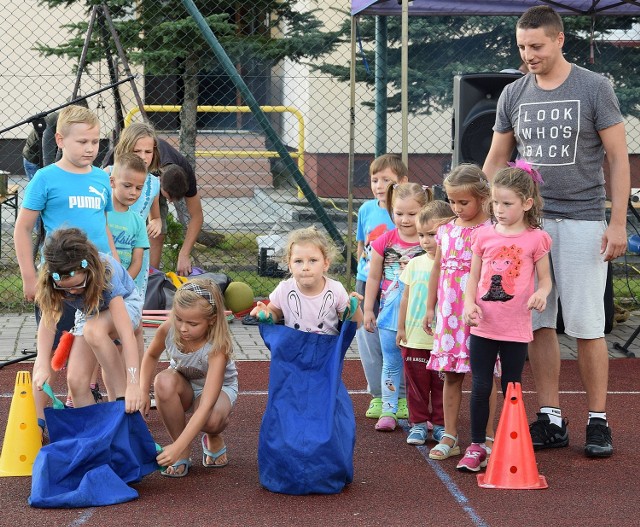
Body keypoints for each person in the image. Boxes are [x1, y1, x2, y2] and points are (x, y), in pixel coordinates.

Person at [482, 5, 630, 458]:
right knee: (539, 322)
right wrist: (490, 217)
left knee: (588, 325)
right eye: (522, 46)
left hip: (584, 220)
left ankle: (598, 420)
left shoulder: (594, 87)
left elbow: (619, 159)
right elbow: (495, 161)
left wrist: (618, 221)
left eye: (537, 46)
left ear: (559, 40)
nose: (528, 54)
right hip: (531, 228)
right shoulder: (514, 93)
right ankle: (550, 417)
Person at [14, 104, 117, 440]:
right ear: (60, 139)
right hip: (58, 283)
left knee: (94, 353)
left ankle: (96, 430)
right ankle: (40, 431)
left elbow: (104, 227)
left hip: (97, 284)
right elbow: (23, 228)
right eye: (83, 142)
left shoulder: (102, 178)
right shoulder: (45, 178)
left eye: (96, 142)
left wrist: (114, 267)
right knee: (49, 354)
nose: (90, 149)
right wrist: (30, 277)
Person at [457, 163, 552, 472]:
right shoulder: (482, 236)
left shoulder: (536, 239)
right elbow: (472, 278)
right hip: (483, 325)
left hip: (515, 329)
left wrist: (542, 294)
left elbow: (547, 280)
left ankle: (511, 444)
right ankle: (476, 446)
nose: (498, 209)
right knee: (481, 385)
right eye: (495, 202)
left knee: (512, 387)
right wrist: (468, 304)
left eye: (507, 203)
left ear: (526, 203)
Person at [423, 164, 497, 460]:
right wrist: (430, 307)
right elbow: (437, 268)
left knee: (485, 376)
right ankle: (450, 435)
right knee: (451, 375)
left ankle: (486, 437)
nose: (456, 207)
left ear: (481, 197)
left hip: (480, 314)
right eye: (452, 201)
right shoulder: (446, 230)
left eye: (463, 202)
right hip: (449, 315)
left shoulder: (491, 231)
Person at [33, 227, 143, 413]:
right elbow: (48, 322)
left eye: (78, 286)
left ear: (88, 268)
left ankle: (121, 395)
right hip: (90, 312)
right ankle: (95, 431)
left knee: (93, 330)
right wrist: (42, 364)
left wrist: (133, 384)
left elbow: (126, 335)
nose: (72, 292)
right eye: (65, 289)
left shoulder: (106, 272)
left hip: (126, 304)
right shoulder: (52, 279)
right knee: (75, 382)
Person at [140, 279, 238, 478]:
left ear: (211, 320)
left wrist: (175, 447)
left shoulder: (217, 348)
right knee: (163, 381)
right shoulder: (169, 329)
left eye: (192, 323)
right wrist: (142, 390)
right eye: (179, 319)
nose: (183, 328)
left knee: (210, 420)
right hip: (184, 384)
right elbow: (150, 356)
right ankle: (183, 451)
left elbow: (206, 406)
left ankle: (212, 436)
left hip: (216, 392)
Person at [364, 183, 431, 432]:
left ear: (424, 210)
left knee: (423, 366)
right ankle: (389, 410)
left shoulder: (432, 241)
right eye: (398, 213)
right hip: (391, 311)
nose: (404, 219)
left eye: (412, 214)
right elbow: (373, 278)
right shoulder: (384, 241)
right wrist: (369, 309)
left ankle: (424, 413)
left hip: (422, 313)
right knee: (391, 363)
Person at [104, 132, 204, 276]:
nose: (143, 156)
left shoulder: (183, 171)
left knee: (156, 232)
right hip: (118, 195)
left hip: (155, 187)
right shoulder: (113, 164)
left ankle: (150, 277)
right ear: (160, 181)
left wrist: (184, 253)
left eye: (148, 152)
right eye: (168, 197)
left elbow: (197, 216)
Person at [397, 200, 455, 445]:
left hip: (442, 340)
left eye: (432, 234)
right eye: (422, 235)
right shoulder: (414, 263)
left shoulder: (452, 265)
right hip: (415, 338)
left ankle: (442, 425)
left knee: (442, 385)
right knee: (417, 386)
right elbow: (405, 297)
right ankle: (418, 424)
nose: (426, 241)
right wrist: (400, 328)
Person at [355, 154, 408, 420]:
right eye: (375, 179)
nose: (379, 185)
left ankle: (402, 395)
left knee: (399, 337)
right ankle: (378, 393)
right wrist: (361, 271)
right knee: (368, 335)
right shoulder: (365, 209)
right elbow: (361, 244)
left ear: (402, 182)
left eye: (387, 180)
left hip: (398, 284)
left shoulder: (406, 212)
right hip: (368, 281)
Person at [251, 226, 363, 332]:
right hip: (294, 349)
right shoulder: (284, 289)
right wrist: (266, 314)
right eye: (298, 261)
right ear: (289, 265)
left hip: (326, 350)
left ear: (325, 263)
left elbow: (356, 325)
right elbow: (275, 312)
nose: (305, 267)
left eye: (313, 260)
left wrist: (354, 309)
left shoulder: (335, 289)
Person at [109, 122, 162, 299]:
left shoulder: (154, 183)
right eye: (136, 151)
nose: (143, 157)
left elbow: (155, 216)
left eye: (148, 152)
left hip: (136, 253)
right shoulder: (107, 175)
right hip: (110, 247)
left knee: (131, 302)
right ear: (125, 149)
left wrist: (156, 222)